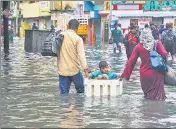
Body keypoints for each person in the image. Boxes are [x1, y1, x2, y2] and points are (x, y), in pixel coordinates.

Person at [120, 27, 168, 100]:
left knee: (147, 96)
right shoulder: (157, 43)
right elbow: (164, 54)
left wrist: (125, 75)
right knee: (158, 98)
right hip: (157, 74)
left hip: (144, 75)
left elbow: (130, 62)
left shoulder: (138, 47)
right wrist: (164, 66)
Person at [58, 19, 89, 94]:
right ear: (77, 28)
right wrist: (86, 71)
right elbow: (81, 56)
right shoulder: (78, 39)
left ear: (68, 26)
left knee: (63, 94)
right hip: (74, 70)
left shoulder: (60, 36)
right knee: (81, 91)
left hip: (62, 70)